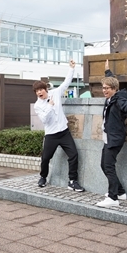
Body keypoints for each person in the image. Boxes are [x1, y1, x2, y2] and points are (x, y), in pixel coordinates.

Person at [33, 59, 85, 191]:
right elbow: (44, 120)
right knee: (46, 158)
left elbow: (66, 83)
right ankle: (43, 177)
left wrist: (72, 68)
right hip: (51, 135)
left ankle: (72, 181)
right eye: (37, 91)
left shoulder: (55, 93)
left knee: (73, 155)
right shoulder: (38, 106)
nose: (39, 93)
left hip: (64, 132)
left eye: (41, 90)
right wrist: (50, 106)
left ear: (46, 89)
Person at [96, 60, 127, 208]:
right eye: (103, 88)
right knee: (104, 165)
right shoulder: (111, 96)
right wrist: (107, 71)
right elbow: (111, 80)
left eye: (107, 88)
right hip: (108, 137)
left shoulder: (118, 98)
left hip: (114, 138)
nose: (104, 91)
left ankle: (112, 197)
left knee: (108, 166)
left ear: (115, 88)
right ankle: (120, 192)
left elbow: (124, 105)